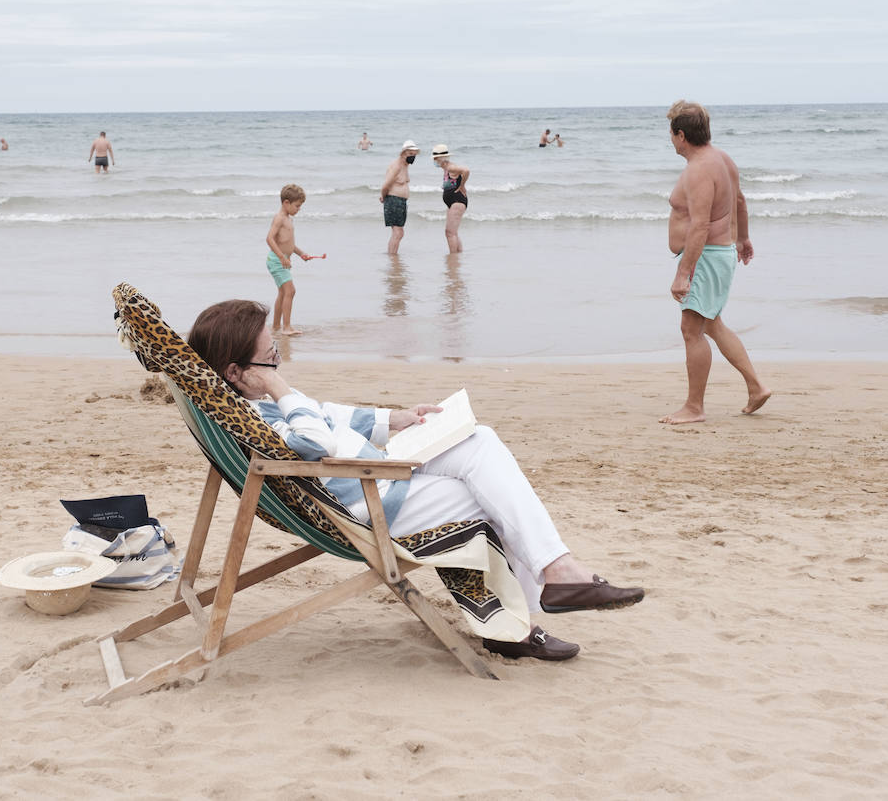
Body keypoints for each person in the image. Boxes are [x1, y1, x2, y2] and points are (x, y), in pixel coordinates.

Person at [187, 299, 646, 660]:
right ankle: (527, 614)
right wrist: (278, 386)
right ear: (236, 372)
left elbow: (327, 416)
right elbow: (315, 442)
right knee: (490, 492)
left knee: (480, 444)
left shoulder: (256, 403)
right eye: (272, 358)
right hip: (369, 503)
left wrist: (399, 419)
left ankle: (550, 583)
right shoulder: (261, 413)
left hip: (374, 477)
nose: (279, 364)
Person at [662, 100, 771, 424]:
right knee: (713, 324)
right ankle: (756, 386)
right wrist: (743, 238)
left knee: (691, 329)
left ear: (681, 135)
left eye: (671, 133)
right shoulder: (722, 159)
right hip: (718, 253)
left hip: (706, 257)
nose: (670, 140)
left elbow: (700, 224)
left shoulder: (698, 170)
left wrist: (684, 273)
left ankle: (694, 407)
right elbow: (738, 199)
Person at [265, 184, 325, 336]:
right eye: (297, 206)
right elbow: (269, 239)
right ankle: (286, 327)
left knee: (283, 292)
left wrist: (301, 254)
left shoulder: (288, 219)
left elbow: (288, 243)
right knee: (290, 291)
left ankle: (276, 326)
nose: (299, 209)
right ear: (286, 203)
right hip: (277, 260)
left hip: (282, 259)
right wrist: (281, 257)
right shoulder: (279, 219)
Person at [380, 141, 418, 255]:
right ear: (403, 153)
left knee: (399, 232)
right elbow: (386, 185)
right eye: (411, 153)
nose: (413, 156)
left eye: (414, 154)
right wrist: (383, 196)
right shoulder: (397, 166)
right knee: (398, 232)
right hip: (393, 200)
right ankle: (392, 257)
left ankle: (393, 256)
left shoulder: (405, 165)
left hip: (401, 201)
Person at [432, 144, 470, 254]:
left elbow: (466, 170)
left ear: (440, 159)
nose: (434, 161)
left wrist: (462, 185)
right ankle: (457, 255)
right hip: (453, 202)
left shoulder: (450, 167)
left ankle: (453, 258)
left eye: (435, 158)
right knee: (453, 232)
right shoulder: (446, 168)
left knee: (450, 232)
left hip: (457, 201)